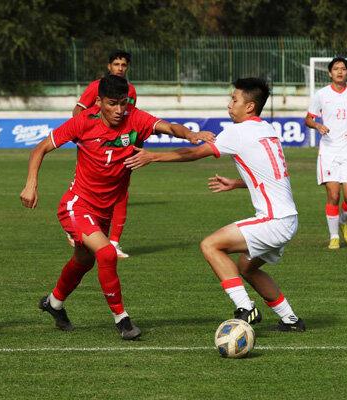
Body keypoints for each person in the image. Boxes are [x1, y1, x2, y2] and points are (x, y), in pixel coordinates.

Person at [20, 74, 215, 340]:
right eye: (113, 104)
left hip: (103, 211)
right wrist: (31, 184)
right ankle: (122, 320)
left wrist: (190, 134)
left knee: (83, 260)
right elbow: (39, 148)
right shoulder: (82, 122)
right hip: (77, 205)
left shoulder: (134, 118)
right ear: (99, 102)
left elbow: (168, 127)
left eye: (123, 103)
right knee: (106, 253)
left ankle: (53, 304)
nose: (119, 110)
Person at [125, 77, 305, 332]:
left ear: (250, 107)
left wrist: (153, 156)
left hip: (274, 221)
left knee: (210, 245)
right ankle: (291, 320)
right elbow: (272, 176)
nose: (229, 104)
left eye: (234, 100)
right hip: (288, 219)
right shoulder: (267, 130)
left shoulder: (238, 131)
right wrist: (236, 183)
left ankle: (246, 308)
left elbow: (194, 153)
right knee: (247, 267)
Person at [70, 50, 137, 258]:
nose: (120, 68)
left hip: (121, 147)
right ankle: (78, 227)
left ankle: (114, 242)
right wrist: (86, 136)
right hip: (95, 149)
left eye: (123, 65)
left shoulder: (131, 90)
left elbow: (131, 118)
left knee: (121, 192)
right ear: (109, 66)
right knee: (87, 190)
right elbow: (77, 111)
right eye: (116, 64)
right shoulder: (96, 87)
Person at [305, 57, 347, 250]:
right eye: (336, 69)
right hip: (328, 151)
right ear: (330, 73)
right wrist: (317, 125)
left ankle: (341, 221)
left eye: (343, 69)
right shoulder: (321, 94)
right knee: (333, 195)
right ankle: (334, 237)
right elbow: (308, 119)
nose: (340, 72)